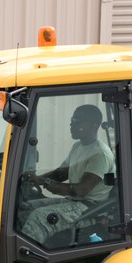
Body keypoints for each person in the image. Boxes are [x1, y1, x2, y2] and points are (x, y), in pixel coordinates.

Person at [20, 104, 115, 244]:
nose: (72, 124)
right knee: (25, 208)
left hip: (89, 208)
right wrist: (34, 178)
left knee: (38, 217)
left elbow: (80, 191)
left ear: (93, 126)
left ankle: (26, 256)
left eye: (77, 121)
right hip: (73, 201)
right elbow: (60, 174)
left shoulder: (100, 154)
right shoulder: (78, 146)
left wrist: (44, 182)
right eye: (72, 120)